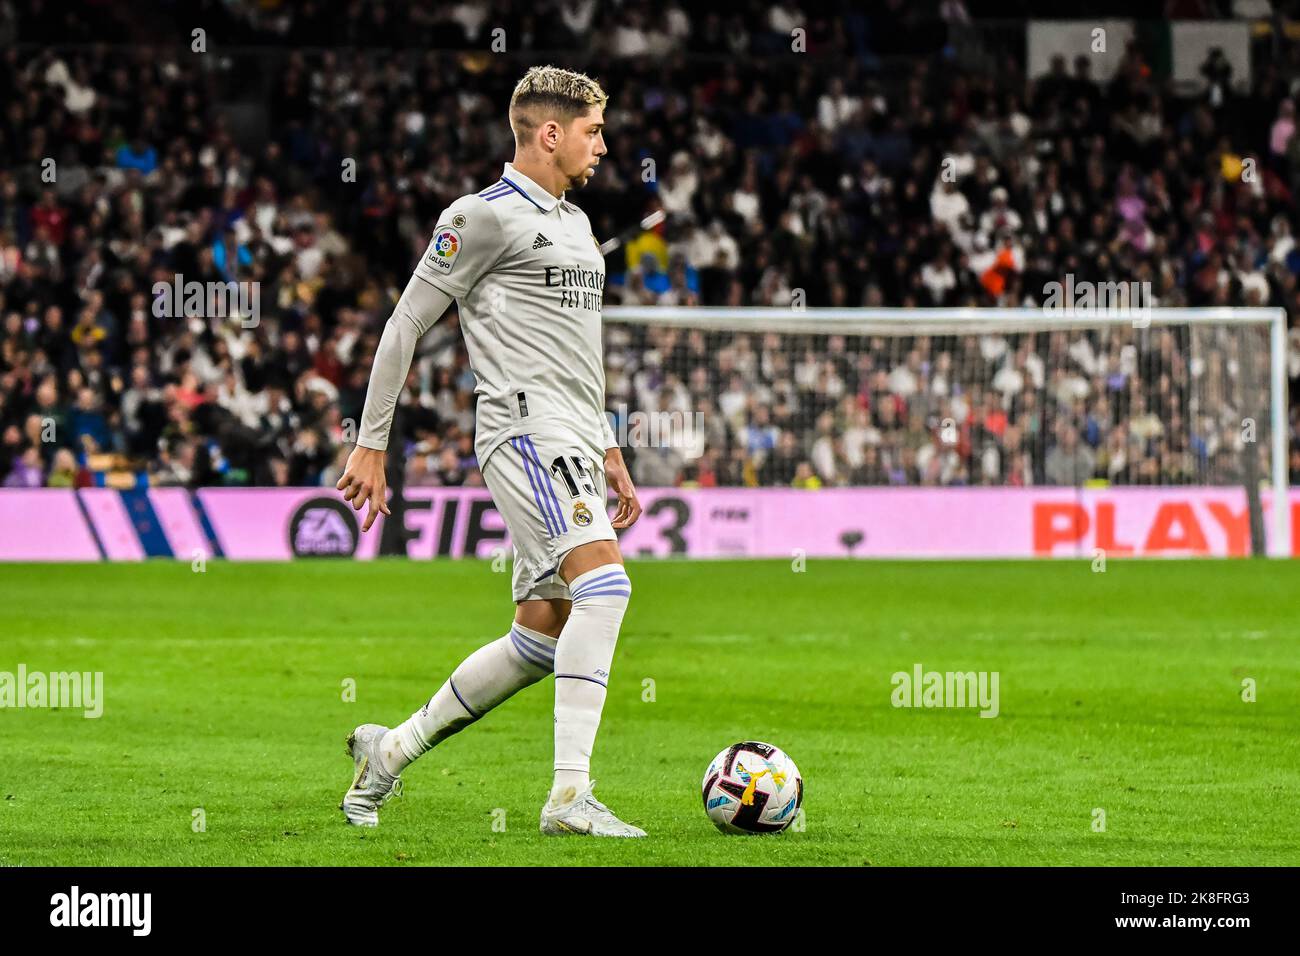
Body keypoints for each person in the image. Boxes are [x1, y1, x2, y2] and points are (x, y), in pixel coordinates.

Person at [334, 66, 646, 837]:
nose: (602, 144)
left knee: (540, 633)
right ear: (549, 133)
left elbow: (580, 351)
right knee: (605, 587)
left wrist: (609, 446)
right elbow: (404, 325)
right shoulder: (481, 217)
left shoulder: (576, 226)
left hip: (574, 432)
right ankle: (570, 797)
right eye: (592, 130)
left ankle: (388, 754)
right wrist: (371, 444)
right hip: (524, 429)